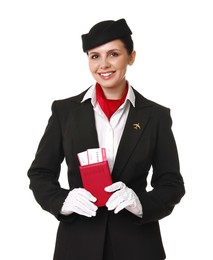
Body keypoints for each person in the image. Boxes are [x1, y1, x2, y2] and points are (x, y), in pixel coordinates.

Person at [27, 18, 185, 260]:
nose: (104, 65)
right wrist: (62, 201)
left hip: (138, 246)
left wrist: (140, 203)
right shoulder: (64, 111)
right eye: (95, 56)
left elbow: (172, 184)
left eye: (113, 54)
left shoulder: (156, 116)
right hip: (77, 246)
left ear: (131, 57)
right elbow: (40, 173)